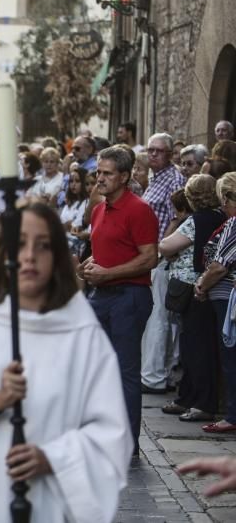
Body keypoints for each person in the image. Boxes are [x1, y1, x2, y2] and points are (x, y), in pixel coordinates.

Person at [0, 202, 132, 522]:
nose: (30, 256)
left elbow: (111, 431)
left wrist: (54, 458)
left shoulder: (82, 334)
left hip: (53, 501)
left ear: (58, 258)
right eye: (20, 244)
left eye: (44, 246)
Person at [80, 146, 159, 447]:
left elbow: (149, 258)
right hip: (100, 295)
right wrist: (88, 266)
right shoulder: (100, 209)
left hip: (130, 296)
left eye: (107, 173)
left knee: (125, 369)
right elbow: (105, 252)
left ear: (124, 176)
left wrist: (108, 273)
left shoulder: (139, 209)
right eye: (98, 172)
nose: (100, 178)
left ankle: (128, 443)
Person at [159, 176, 225, 423]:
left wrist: (175, 224)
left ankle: (202, 403)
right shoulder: (221, 217)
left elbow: (166, 246)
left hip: (195, 288)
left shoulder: (196, 220)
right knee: (194, 345)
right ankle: (186, 397)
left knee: (197, 347)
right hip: (208, 287)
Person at [141, 133, 186, 395]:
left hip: (162, 257)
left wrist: (159, 252)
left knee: (158, 317)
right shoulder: (155, 178)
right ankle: (158, 373)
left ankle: (155, 376)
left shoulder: (175, 179)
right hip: (152, 255)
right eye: (151, 150)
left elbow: (176, 218)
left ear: (170, 154)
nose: (153, 154)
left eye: (159, 151)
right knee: (156, 316)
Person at [195, 172, 236, 433]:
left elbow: (220, 266)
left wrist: (202, 284)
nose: (221, 204)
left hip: (227, 299)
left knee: (230, 356)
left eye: (224, 197)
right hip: (222, 295)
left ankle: (232, 415)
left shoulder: (233, 224)